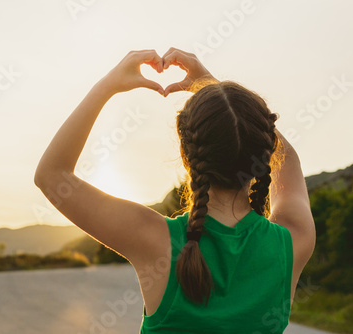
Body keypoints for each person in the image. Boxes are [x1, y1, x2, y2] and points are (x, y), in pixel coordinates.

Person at [34, 48, 316, 333]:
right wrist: (212, 87)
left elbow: (51, 176)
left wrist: (108, 85)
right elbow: (288, 159)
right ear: (265, 154)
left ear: (186, 154)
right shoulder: (293, 241)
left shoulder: (156, 239)